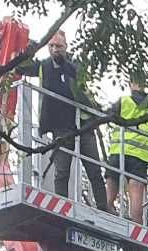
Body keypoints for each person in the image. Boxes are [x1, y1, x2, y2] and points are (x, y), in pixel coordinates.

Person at [35, 30, 104, 207]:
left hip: (83, 124)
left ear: (66, 47)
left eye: (58, 46)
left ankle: (104, 208)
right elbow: (23, 66)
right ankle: (62, 206)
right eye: (51, 46)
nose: (54, 49)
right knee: (62, 171)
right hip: (60, 125)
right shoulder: (44, 66)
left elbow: (84, 93)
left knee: (94, 170)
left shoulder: (75, 66)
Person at [107, 76, 148, 224]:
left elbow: (105, 116)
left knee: (110, 189)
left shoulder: (123, 102)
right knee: (136, 193)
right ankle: (136, 225)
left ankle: (107, 210)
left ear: (131, 85)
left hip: (119, 151)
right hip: (140, 156)